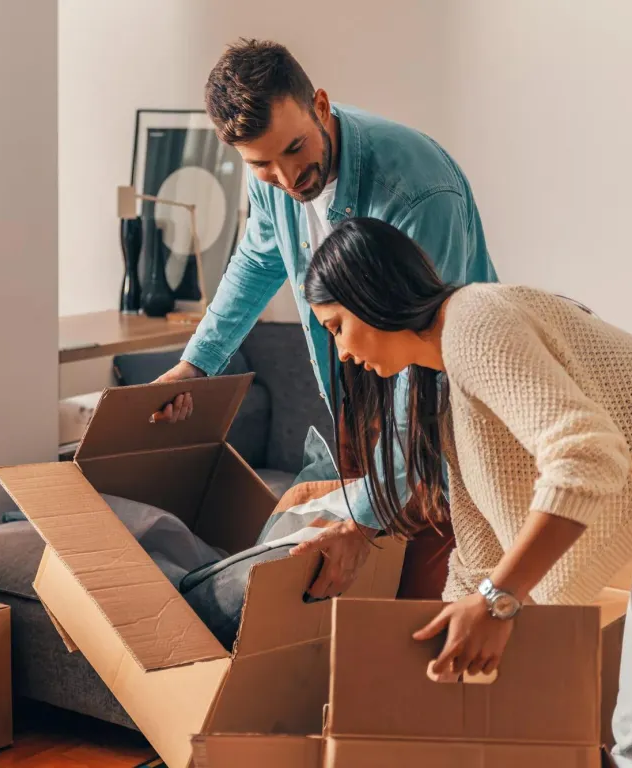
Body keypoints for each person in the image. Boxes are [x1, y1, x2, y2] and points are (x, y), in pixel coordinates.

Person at [303, 216, 632, 768]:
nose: (340, 352)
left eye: (337, 326)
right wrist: (439, 660)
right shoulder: (448, 389)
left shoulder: (475, 320)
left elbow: (585, 454)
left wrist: (496, 603)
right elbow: (479, 552)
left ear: (371, 295)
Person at [153, 38, 497, 599]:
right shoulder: (268, 173)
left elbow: (430, 360)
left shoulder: (416, 190)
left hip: (441, 401)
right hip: (356, 384)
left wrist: (363, 519)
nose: (288, 178)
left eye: (294, 149)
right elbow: (257, 259)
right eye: (263, 165)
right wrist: (197, 365)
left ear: (319, 104)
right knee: (341, 587)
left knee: (422, 595)